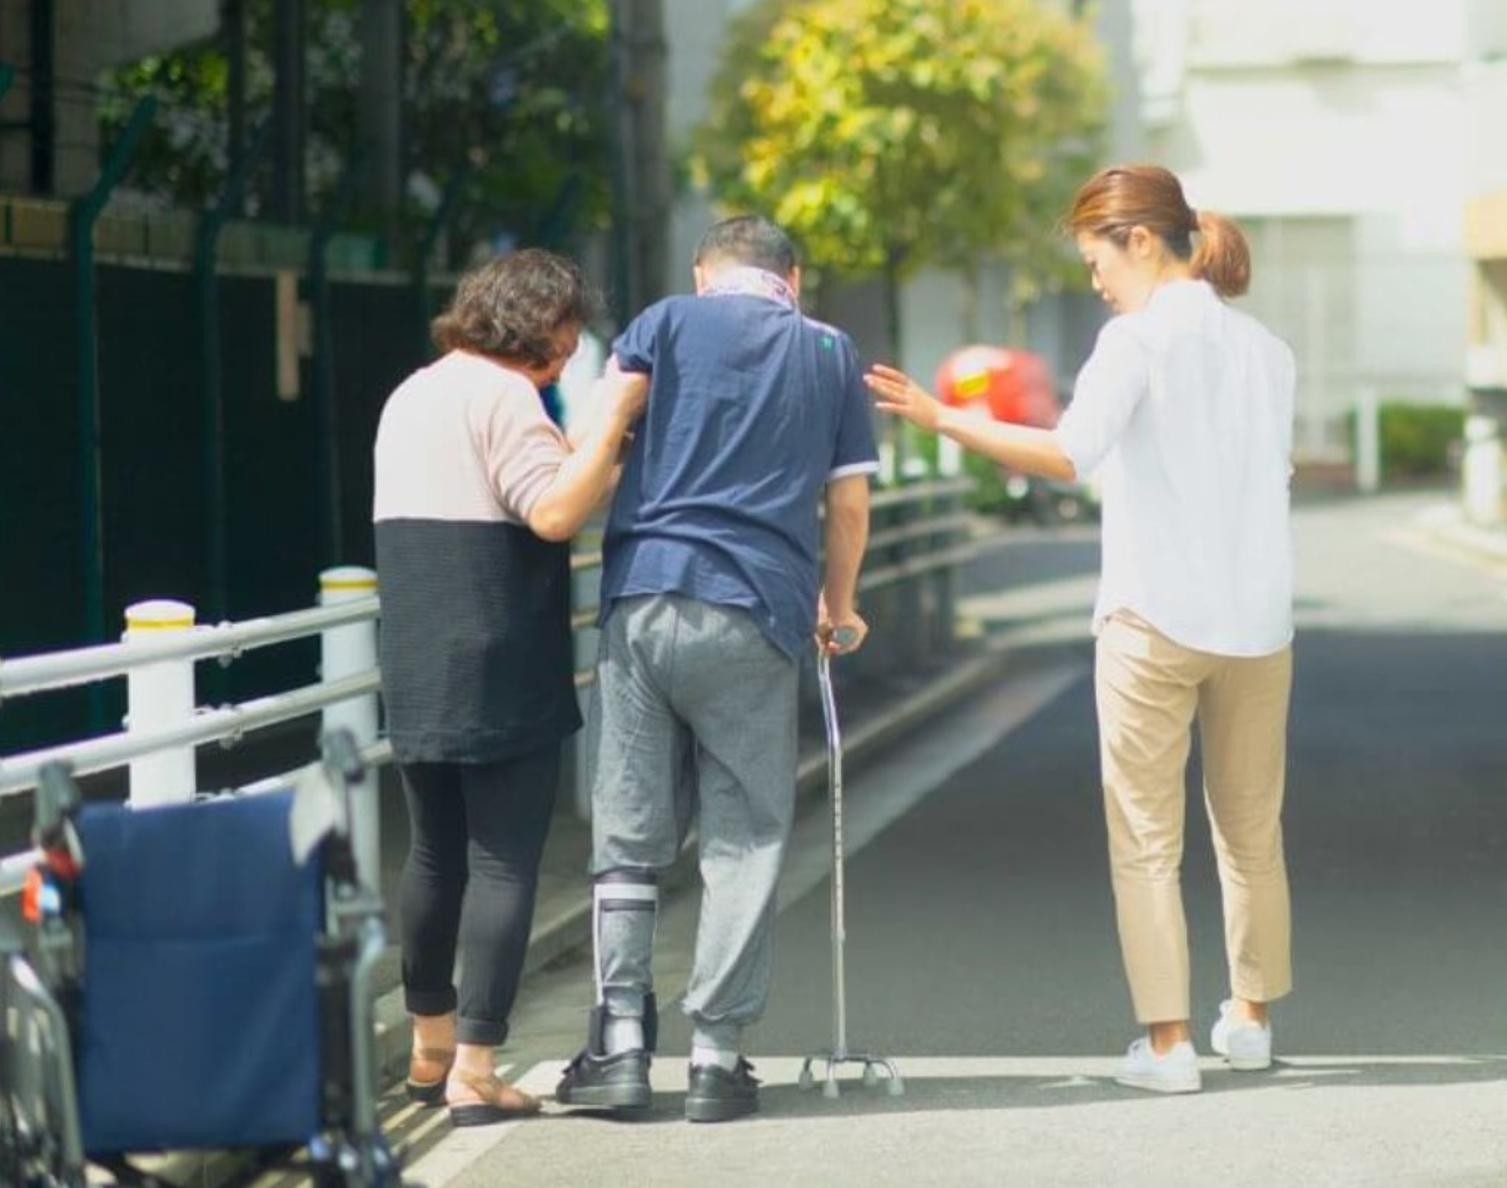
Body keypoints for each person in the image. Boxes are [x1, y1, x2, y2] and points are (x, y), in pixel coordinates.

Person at [867, 164, 1297, 1095]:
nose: (1095, 281)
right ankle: (1251, 1021)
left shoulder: (1133, 341)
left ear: (1141, 240)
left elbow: (1069, 453)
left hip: (1155, 618)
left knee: (1147, 837)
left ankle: (1169, 1046)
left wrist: (942, 418)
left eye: (1098, 260)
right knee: (1251, 830)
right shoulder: (1268, 351)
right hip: (1259, 623)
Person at [555, 215, 877, 1123]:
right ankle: (715, 1057)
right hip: (756, 609)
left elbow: (604, 427)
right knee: (743, 835)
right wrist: (839, 604)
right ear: (793, 279)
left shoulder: (662, 322)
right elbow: (848, 504)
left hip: (644, 595)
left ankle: (620, 1042)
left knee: (628, 833)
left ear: (704, 273)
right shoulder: (828, 352)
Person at [372, 249, 647, 1126]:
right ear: (534, 324)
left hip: (416, 652)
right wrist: (615, 417)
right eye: (566, 333)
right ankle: (478, 1067)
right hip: (498, 652)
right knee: (502, 861)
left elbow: (529, 484)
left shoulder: (412, 393)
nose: (568, 353)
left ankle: (430, 1048)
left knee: (432, 855)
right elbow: (553, 512)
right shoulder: (505, 396)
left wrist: (591, 453)